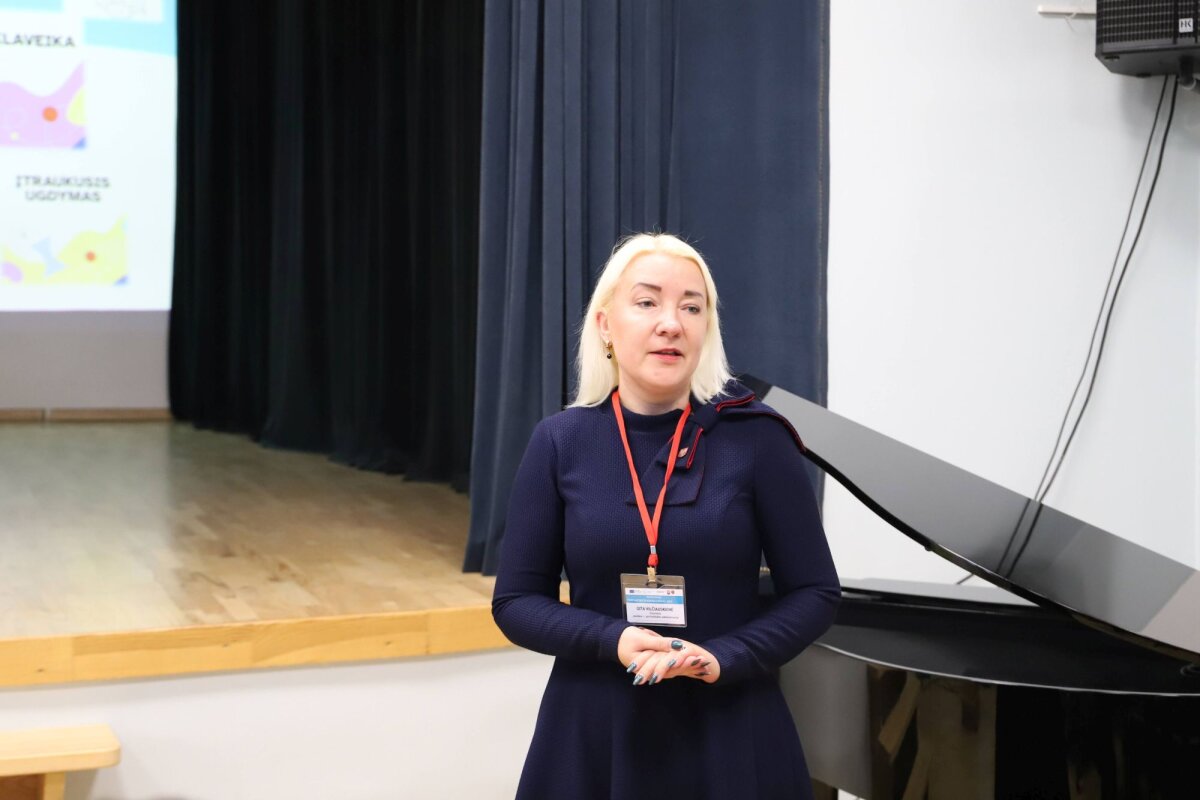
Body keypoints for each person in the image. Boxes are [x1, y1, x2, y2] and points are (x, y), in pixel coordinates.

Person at [492, 233, 841, 799]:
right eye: (647, 302)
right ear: (606, 325)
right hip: (596, 729)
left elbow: (816, 592)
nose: (671, 323)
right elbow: (515, 602)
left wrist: (724, 656)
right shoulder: (559, 441)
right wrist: (613, 638)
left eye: (691, 307)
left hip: (732, 726)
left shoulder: (758, 439)